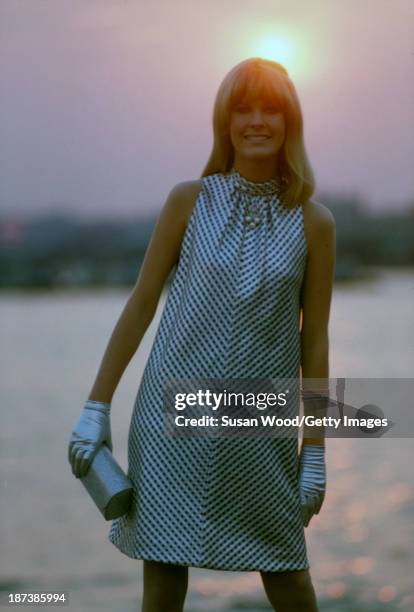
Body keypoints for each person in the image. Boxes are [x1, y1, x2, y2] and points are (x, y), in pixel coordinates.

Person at [68, 57, 336, 612]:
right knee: (164, 574)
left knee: (288, 574)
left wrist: (315, 449)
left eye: (271, 109)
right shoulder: (188, 201)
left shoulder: (315, 222)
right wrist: (97, 405)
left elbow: (315, 341)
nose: (257, 121)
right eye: (243, 109)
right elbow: (142, 303)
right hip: (170, 419)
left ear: (291, 123)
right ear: (224, 123)